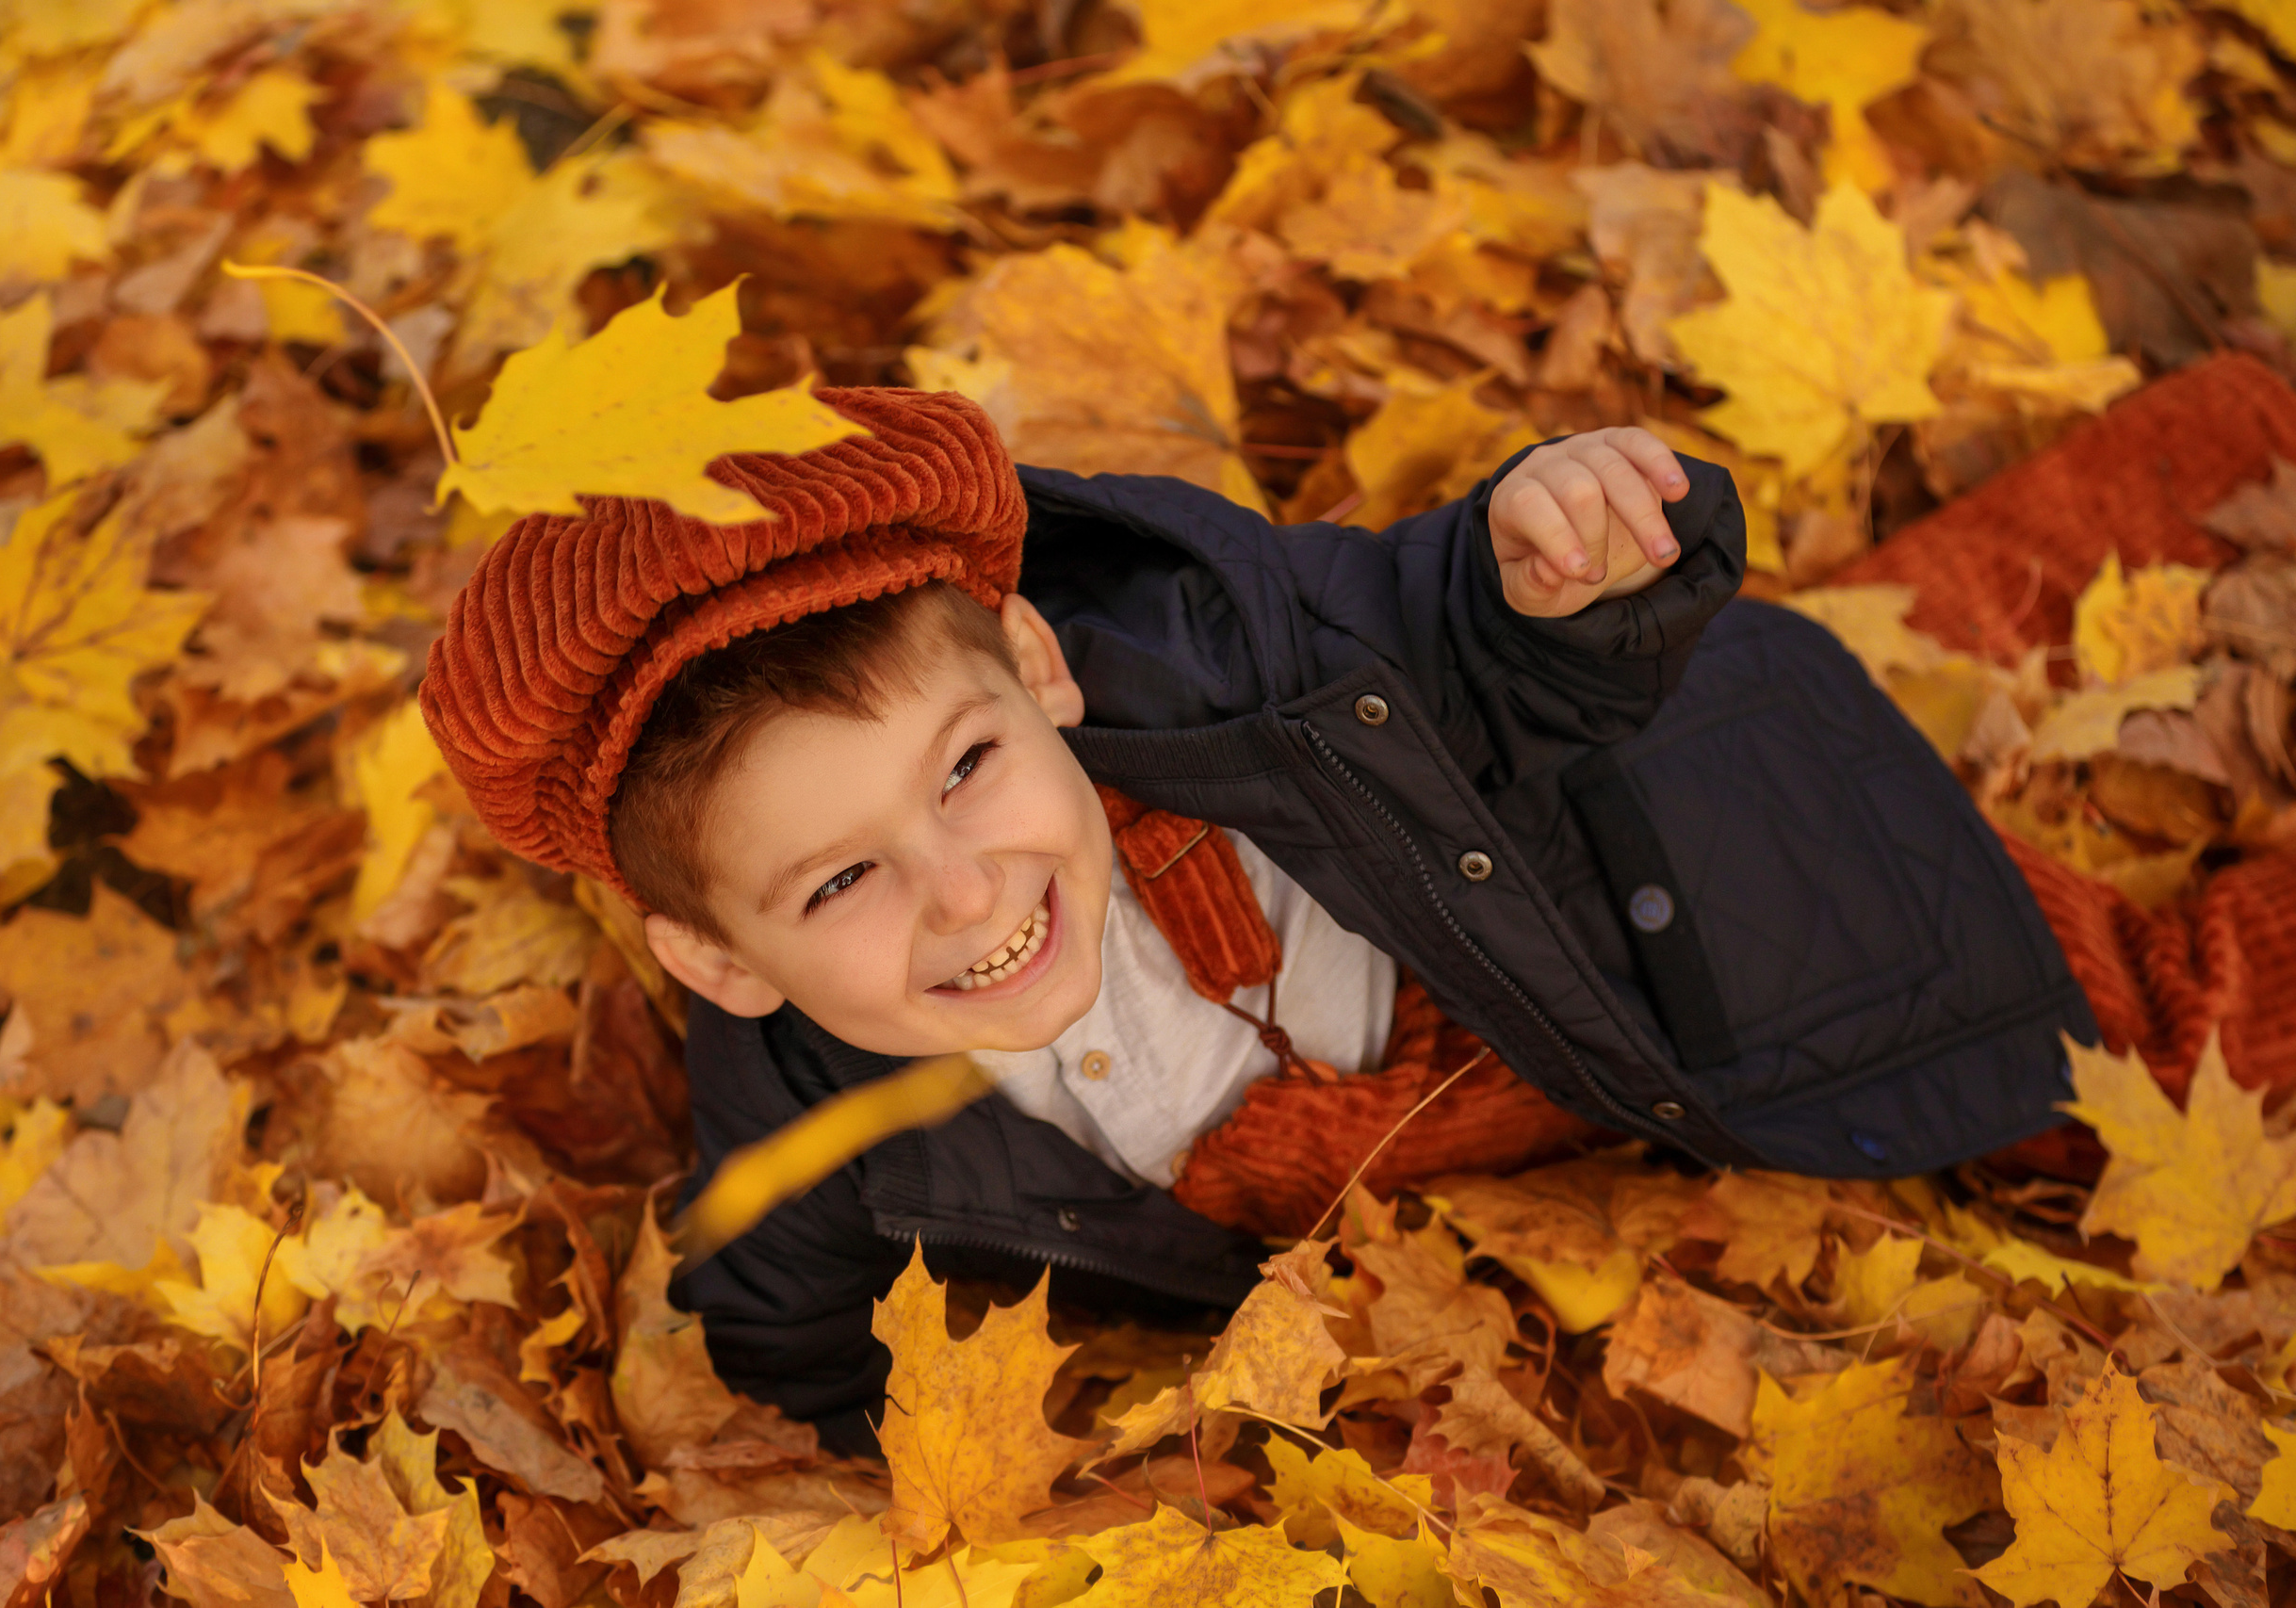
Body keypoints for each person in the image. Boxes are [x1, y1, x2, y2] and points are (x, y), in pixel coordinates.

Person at [418, 388, 2092, 1449]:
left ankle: (2237, 407)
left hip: (1680, 877)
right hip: (1528, 1060)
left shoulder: (1255, 667)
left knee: (2104, 940)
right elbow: (790, 1326)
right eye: (840, 882)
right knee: (1988, 702)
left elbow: (1448, 639)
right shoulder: (806, 1117)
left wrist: (1558, 567)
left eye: (967, 771)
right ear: (717, 958)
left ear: (1042, 668)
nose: (964, 890)